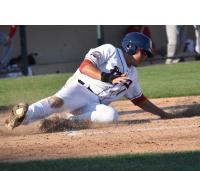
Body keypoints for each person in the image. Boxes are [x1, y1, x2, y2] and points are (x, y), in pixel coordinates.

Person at [5, 32, 174, 130]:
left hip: (93, 105)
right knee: (55, 102)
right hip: (79, 88)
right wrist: (108, 77)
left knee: (111, 115)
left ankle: (62, 122)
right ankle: (22, 116)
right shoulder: (110, 51)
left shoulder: (133, 75)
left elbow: (139, 100)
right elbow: (85, 66)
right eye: (144, 52)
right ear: (131, 47)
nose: (145, 57)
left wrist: (163, 114)